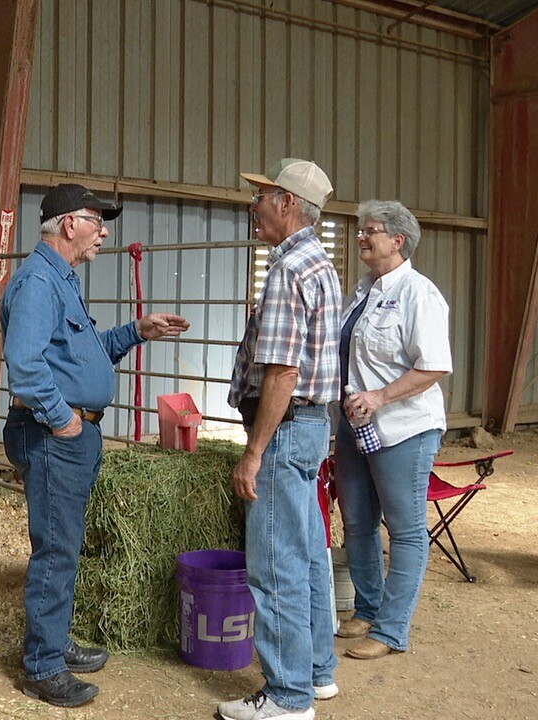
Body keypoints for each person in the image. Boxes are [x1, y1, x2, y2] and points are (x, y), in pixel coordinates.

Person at [1, 183, 190, 708]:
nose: (104, 231)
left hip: (70, 433)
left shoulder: (60, 279)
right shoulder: (39, 283)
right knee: (57, 549)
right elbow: (26, 367)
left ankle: (54, 643)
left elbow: (81, 356)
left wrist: (136, 331)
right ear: (69, 225)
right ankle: (42, 666)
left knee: (65, 543)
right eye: (97, 221)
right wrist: (65, 423)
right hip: (53, 434)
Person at [218, 159, 342, 720]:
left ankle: (287, 696)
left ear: (288, 203)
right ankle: (316, 673)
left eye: (263, 196)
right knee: (309, 553)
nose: (255, 205)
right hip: (313, 427)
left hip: (286, 430)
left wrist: (253, 451)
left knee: (274, 566)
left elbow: (283, 374)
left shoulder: (290, 269)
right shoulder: (321, 264)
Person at [333, 200, 452, 660]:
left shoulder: (420, 294)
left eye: (372, 231)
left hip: (403, 428)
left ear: (398, 241)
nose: (361, 236)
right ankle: (366, 608)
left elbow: (435, 366)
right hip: (353, 424)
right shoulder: (363, 291)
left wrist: (379, 398)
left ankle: (391, 630)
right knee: (358, 521)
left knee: (404, 530)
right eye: (361, 229)